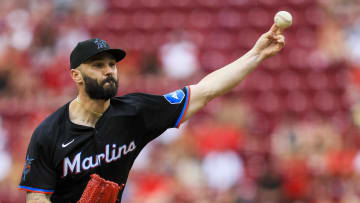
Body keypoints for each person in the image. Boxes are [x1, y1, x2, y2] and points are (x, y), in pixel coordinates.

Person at [18, 24, 285, 202]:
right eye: (98, 65)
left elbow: (205, 91)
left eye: (112, 64)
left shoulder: (136, 112)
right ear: (76, 75)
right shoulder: (49, 133)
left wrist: (256, 54)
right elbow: (37, 196)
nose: (109, 70)